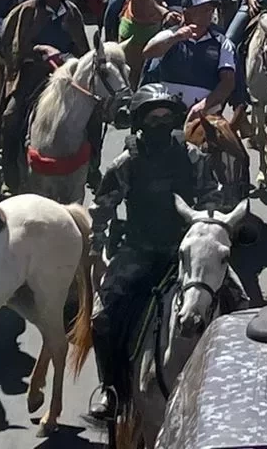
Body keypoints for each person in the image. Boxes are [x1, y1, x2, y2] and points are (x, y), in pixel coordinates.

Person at [87, 87, 200, 421]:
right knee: (103, 317)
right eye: (154, 118)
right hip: (139, 250)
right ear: (140, 122)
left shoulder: (193, 157)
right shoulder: (125, 163)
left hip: (184, 252)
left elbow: (212, 198)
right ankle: (111, 388)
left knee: (236, 302)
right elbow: (101, 209)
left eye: (167, 118)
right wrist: (96, 250)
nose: (161, 124)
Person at [0, 0, 89, 193]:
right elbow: (18, 49)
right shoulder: (29, 12)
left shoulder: (72, 13)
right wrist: (42, 50)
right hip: (36, 74)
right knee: (11, 116)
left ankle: (94, 166)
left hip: (68, 77)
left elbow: (84, 51)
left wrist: (68, 60)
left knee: (94, 112)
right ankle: (10, 174)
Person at [139, 0, 237, 113]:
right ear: (187, 13)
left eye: (211, 10)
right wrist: (175, 38)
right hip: (167, 109)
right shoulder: (170, 34)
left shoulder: (222, 43)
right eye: (204, 10)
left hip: (204, 113)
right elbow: (147, 52)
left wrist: (203, 105)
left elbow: (227, 83)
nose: (210, 14)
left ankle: (240, 101)